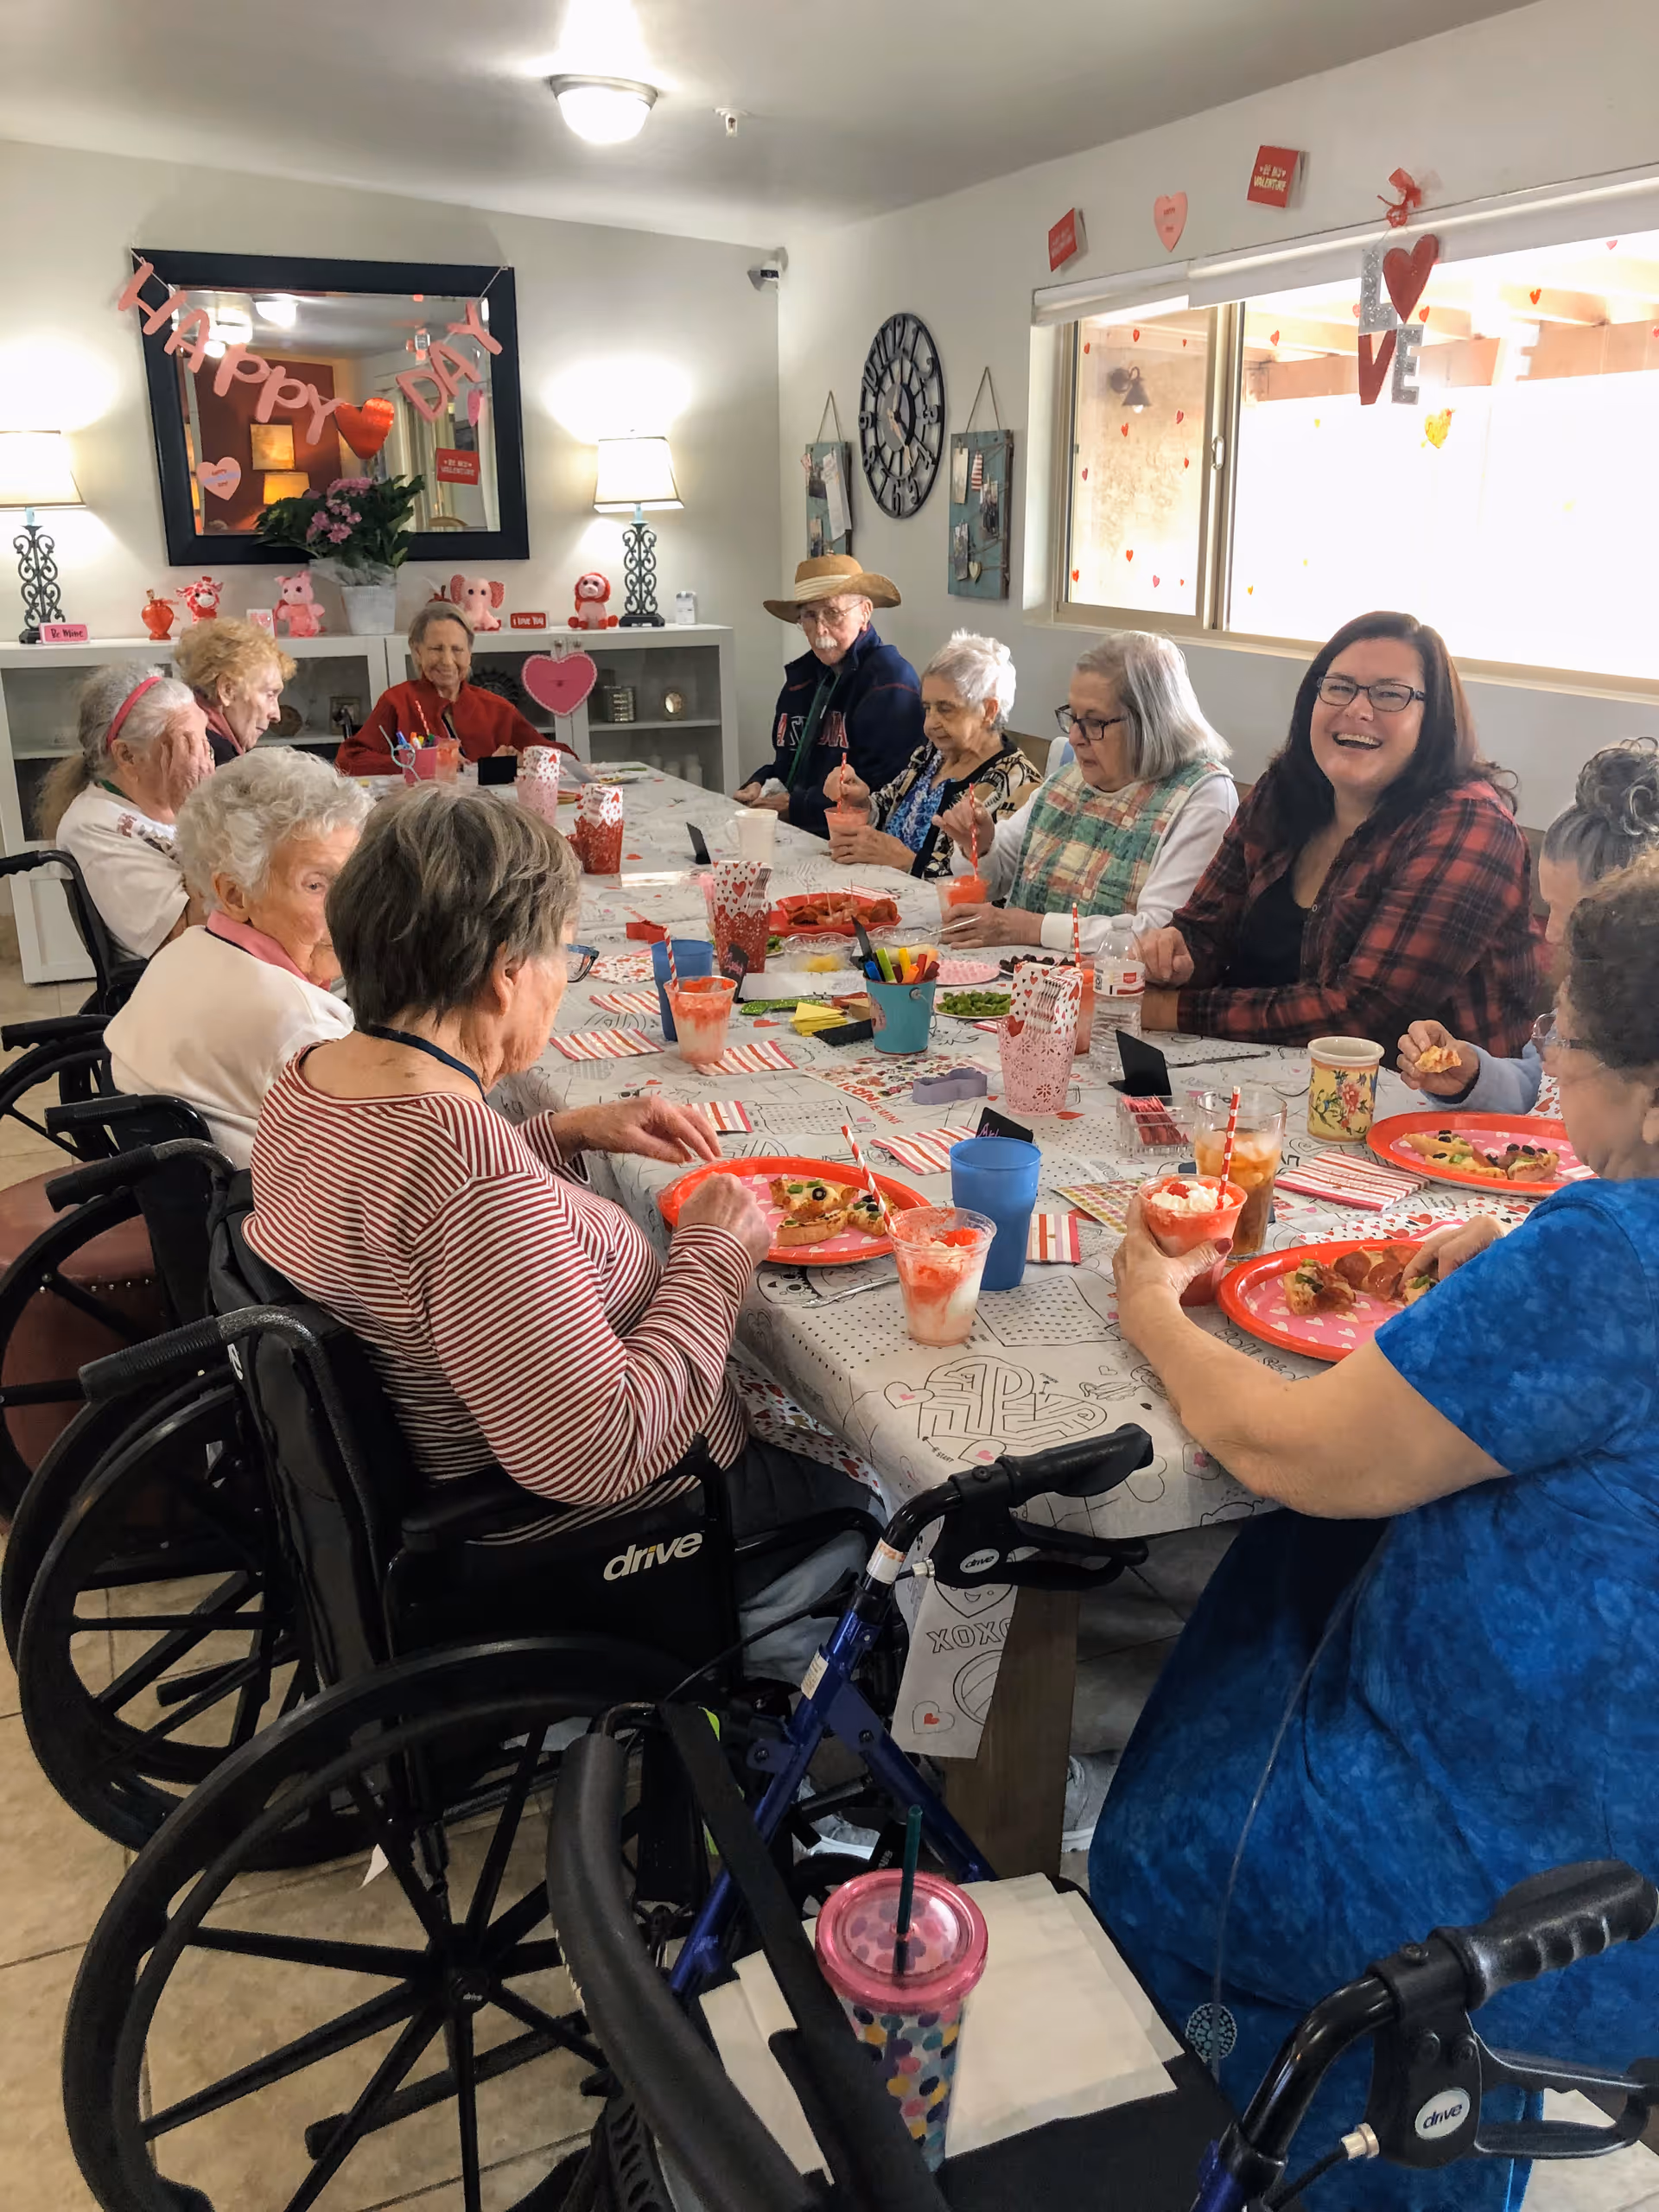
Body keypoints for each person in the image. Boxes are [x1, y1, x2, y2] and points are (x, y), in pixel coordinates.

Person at [1093, 855, 1659, 2212]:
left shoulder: (1612, 1260)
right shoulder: (1592, 1252)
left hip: (1552, 1898)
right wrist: (1514, 1256)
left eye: (1562, 1040)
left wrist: (1154, 1308)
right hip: (1613, 1850)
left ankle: (1281, 2167)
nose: (1544, 1060)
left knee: (1160, 1851)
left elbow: (1299, 1452)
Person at [246, 785, 878, 1679]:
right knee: (883, 1488)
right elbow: (602, 1450)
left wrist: (556, 1134)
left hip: (441, 1476)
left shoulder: (313, 1078)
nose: (561, 975)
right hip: (587, 1535)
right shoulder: (465, 1170)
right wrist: (710, 1253)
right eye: (564, 956)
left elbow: (400, 1222)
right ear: (505, 971)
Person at [1133, 611, 1539, 1052]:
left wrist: (1160, 1010)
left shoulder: (1471, 827)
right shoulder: (1282, 789)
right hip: (1253, 1076)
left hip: (1423, 1107)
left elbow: (1361, 1013)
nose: (1357, 709)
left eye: (1390, 695)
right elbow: (1202, 929)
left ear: (1434, 717)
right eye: (1340, 687)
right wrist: (1175, 956)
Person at [104, 750, 369, 1166]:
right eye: (316, 885)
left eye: (355, 880)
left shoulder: (184, 954)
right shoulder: (301, 1029)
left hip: (192, 1212)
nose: (351, 908)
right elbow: (372, 1174)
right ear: (234, 894)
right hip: (265, 1220)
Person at [931, 632, 1236, 952]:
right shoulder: (1071, 779)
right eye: (1073, 717)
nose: (1076, 737)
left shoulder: (1202, 797)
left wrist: (1032, 928)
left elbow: (1158, 934)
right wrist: (979, 846)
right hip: (1031, 981)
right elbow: (996, 880)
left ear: (1150, 723)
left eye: (1094, 722)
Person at [1399, 736, 1659, 1112]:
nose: (1550, 932)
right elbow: (1537, 1091)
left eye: (1572, 917)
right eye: (1549, 906)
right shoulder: (1575, 1001)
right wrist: (1472, 1077)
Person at [818, 631, 1042, 879]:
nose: (929, 724)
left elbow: (998, 888)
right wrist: (860, 802)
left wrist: (910, 863)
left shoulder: (1020, 784)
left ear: (988, 710)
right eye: (927, 708)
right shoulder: (932, 754)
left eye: (946, 710)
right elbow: (886, 808)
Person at [735, 554, 923, 841]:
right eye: (809, 616)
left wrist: (795, 807)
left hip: (858, 845)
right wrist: (760, 783)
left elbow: (885, 793)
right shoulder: (804, 678)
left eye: (832, 613)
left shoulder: (890, 683)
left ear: (865, 612)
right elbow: (790, 766)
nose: (820, 630)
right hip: (802, 836)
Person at [38, 665, 214, 963]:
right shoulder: (93, 826)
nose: (204, 757)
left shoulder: (166, 801)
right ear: (127, 756)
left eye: (204, 737)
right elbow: (190, 943)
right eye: (186, 743)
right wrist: (196, 809)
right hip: (174, 986)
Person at [334, 602, 550, 775]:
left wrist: (524, 759)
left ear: (469, 653)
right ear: (417, 652)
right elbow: (348, 761)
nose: (447, 661)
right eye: (436, 649)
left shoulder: (497, 708)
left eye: (457, 649)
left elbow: (562, 757)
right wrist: (421, 762)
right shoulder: (397, 701)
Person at [173, 617, 297, 765]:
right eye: (269, 695)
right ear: (227, 690)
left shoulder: (188, 733)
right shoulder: (212, 760)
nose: (277, 715)